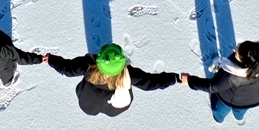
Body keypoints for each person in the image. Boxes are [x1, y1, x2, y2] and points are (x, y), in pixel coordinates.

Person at [48, 43, 180, 116]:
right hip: (114, 109)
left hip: (88, 104)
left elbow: (67, 69)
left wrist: (50, 59)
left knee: (90, 107)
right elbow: (152, 82)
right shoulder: (130, 75)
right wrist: (174, 78)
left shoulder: (88, 65)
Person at [183, 40, 259, 123]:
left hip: (229, 99)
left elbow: (212, 87)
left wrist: (189, 81)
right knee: (241, 110)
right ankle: (239, 117)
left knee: (219, 110)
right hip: (256, 98)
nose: (234, 50)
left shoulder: (231, 76)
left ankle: (218, 119)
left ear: (245, 63)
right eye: (238, 46)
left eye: (236, 52)